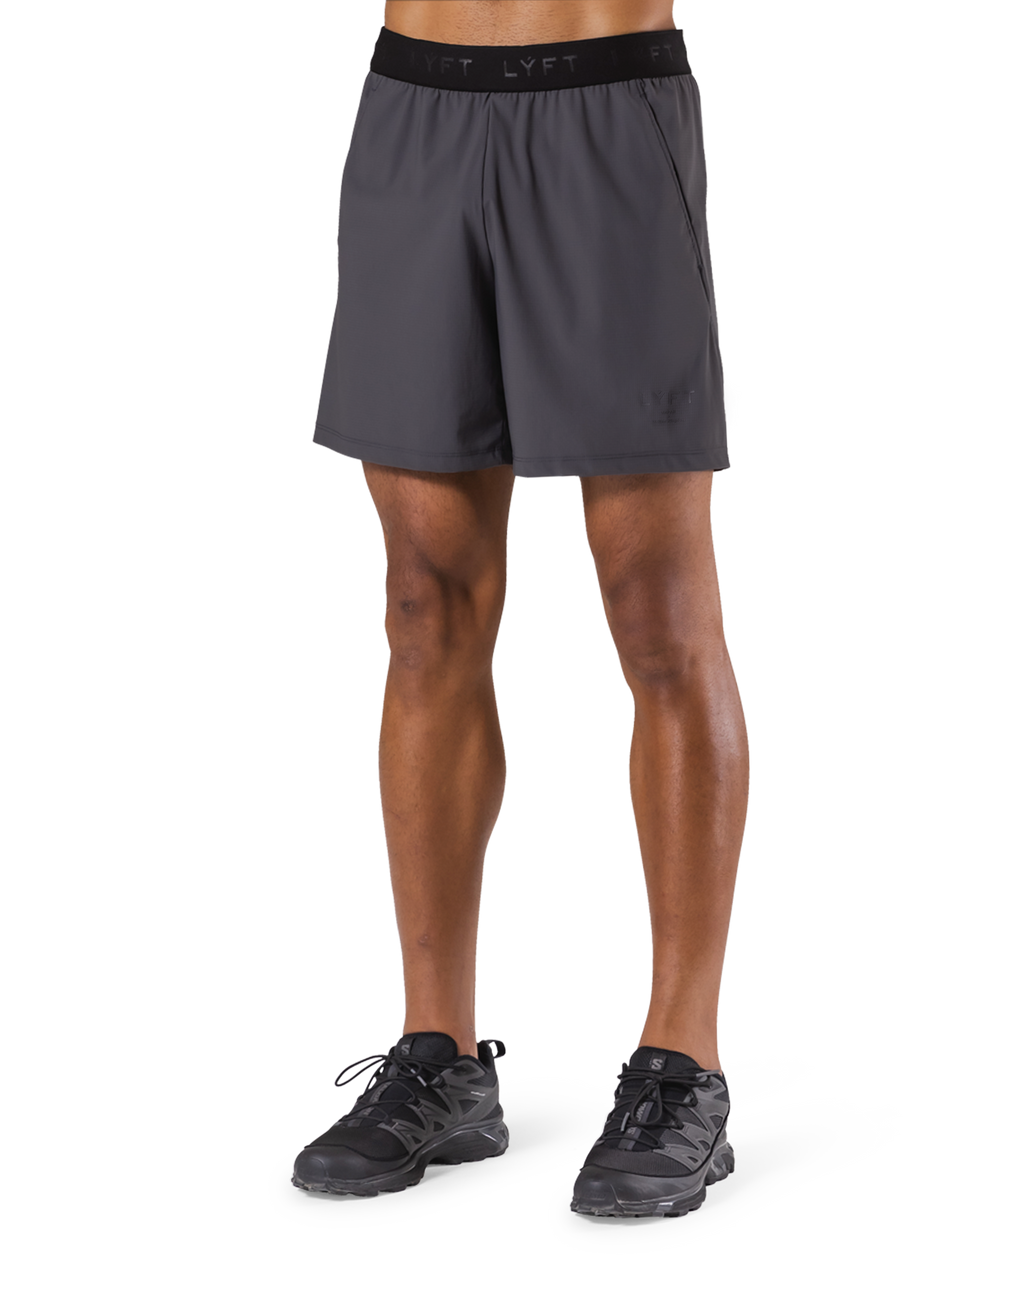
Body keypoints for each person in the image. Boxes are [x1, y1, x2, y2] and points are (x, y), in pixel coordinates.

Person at [295, 0, 751, 1221]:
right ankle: (438, 1053)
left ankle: (682, 1061)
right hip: (414, 110)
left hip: (608, 105)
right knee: (422, 601)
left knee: (655, 604)